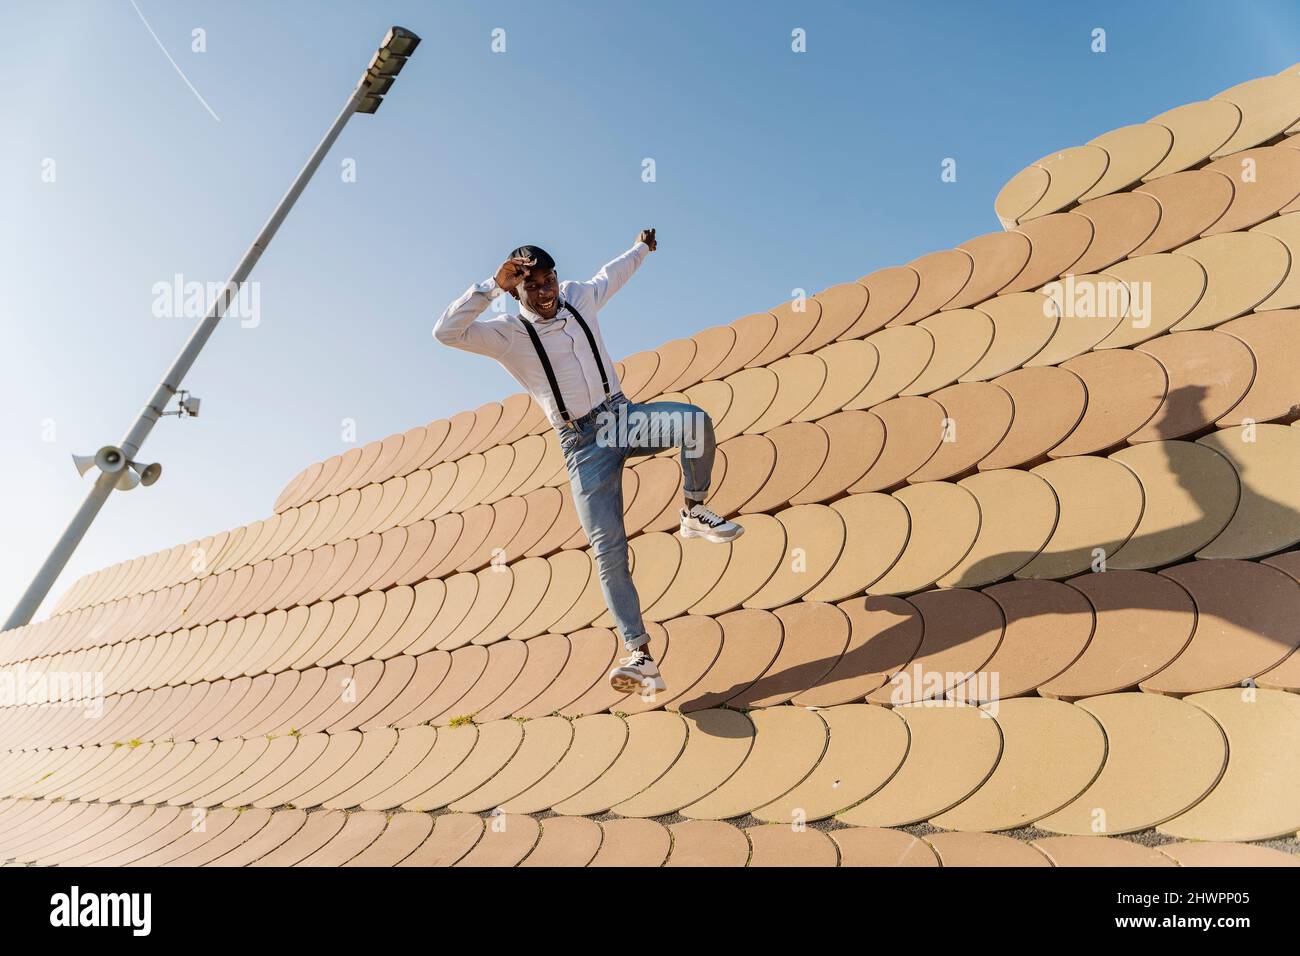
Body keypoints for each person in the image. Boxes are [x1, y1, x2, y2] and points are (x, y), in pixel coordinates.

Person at [434, 229, 744, 694]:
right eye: (533, 286)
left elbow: (613, 274)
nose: (546, 292)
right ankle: (640, 657)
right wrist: (490, 287)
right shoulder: (506, 335)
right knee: (609, 552)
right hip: (581, 447)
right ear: (517, 291)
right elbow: (446, 333)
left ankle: (694, 509)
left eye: (549, 281)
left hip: (623, 418)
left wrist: (642, 248)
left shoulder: (578, 297)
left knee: (694, 423)